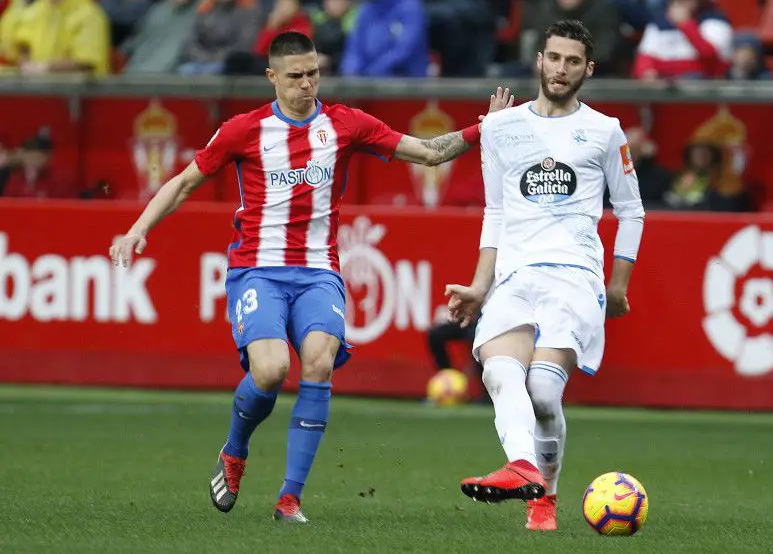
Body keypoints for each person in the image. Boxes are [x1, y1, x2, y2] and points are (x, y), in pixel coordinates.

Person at [109, 31, 512, 524]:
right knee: (272, 370)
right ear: (272, 77)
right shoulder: (243, 130)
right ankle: (235, 452)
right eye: (295, 76)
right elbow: (185, 182)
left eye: (313, 74)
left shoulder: (345, 124)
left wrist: (481, 130)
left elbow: (428, 152)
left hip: (319, 272)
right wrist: (136, 230)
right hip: (257, 269)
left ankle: (289, 498)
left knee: (318, 362)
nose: (306, 84)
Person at [445, 20, 645, 531]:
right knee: (498, 371)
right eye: (553, 58)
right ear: (538, 60)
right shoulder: (500, 126)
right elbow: (495, 211)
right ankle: (524, 470)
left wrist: (617, 285)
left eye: (573, 61)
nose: (561, 69)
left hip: (575, 275)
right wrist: (478, 284)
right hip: (514, 274)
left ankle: (545, 494)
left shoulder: (605, 130)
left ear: (588, 69)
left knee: (542, 394)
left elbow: (631, 210)